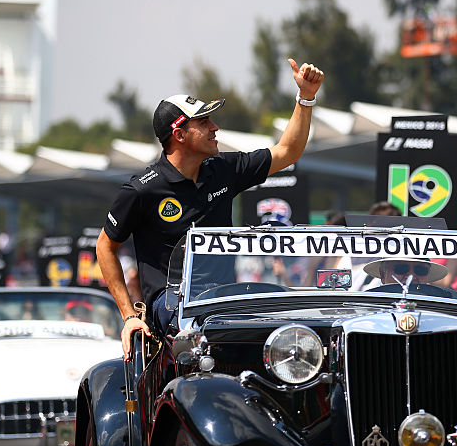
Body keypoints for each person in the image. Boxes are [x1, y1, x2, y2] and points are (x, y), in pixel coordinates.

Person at [96, 58, 325, 357]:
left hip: (223, 300)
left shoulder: (223, 169)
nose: (215, 127)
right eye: (203, 122)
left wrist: (305, 97)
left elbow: (287, 151)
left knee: (288, 325)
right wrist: (129, 318)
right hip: (172, 308)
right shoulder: (142, 188)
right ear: (179, 134)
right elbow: (105, 247)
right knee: (200, 334)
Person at [362, 257, 448, 287]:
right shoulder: (369, 306)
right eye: (401, 269)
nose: (411, 276)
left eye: (420, 270)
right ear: (383, 274)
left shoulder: (441, 309)